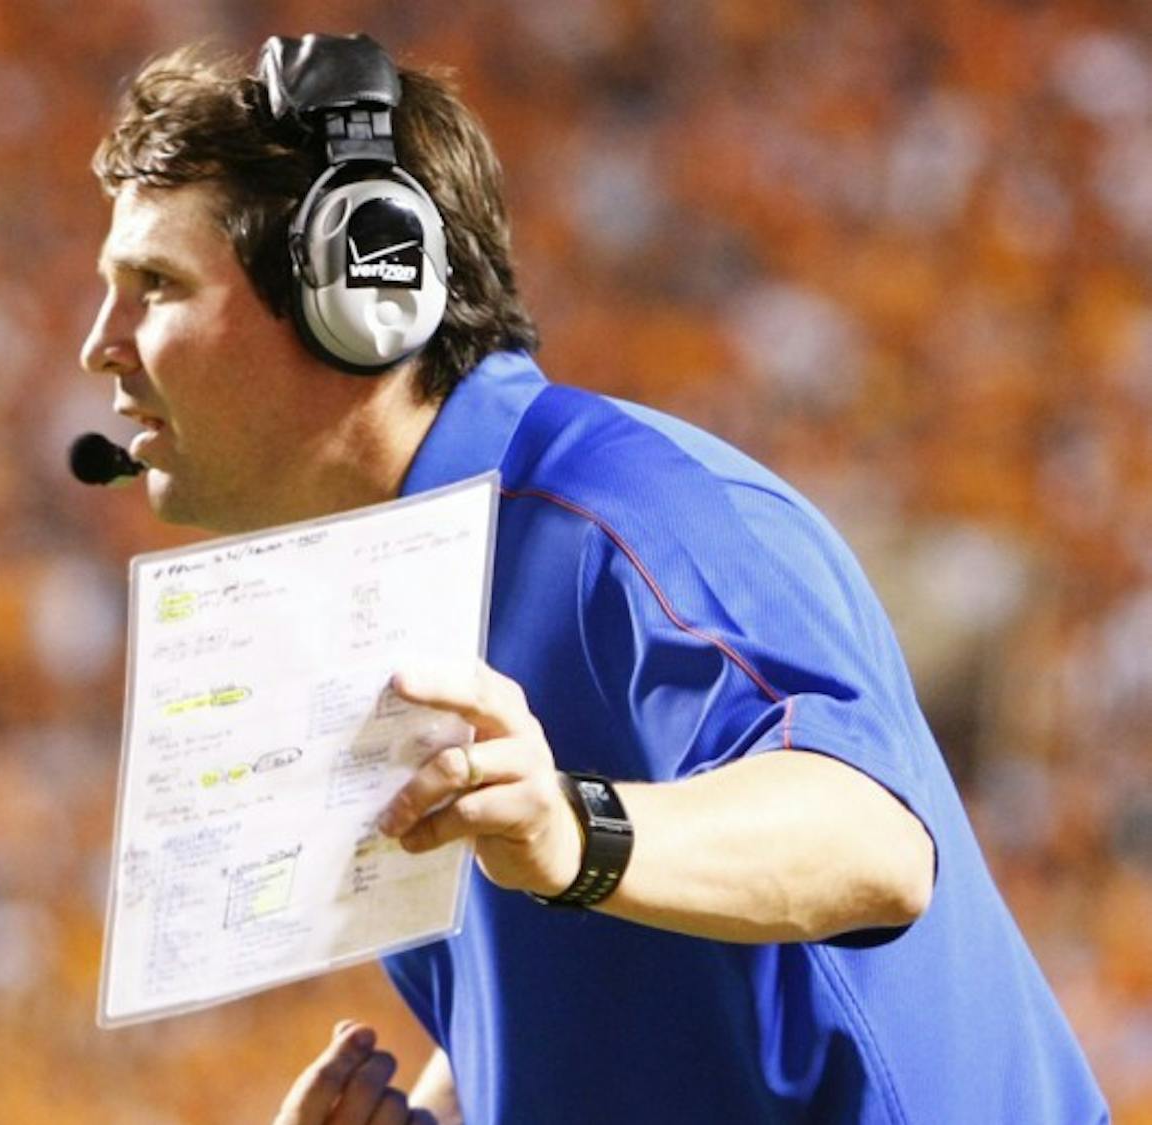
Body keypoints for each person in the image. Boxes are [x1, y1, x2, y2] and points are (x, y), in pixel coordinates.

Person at [78, 32, 1109, 1125]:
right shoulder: (388, 575)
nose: (102, 343)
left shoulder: (626, 515)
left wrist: (579, 835)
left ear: (363, 292)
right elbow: (564, 970)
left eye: (155, 285)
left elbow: (876, 840)